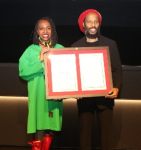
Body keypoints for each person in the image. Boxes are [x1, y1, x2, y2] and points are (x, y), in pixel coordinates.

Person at [71, 9, 122, 150]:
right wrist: (73, 89)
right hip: (84, 99)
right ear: (84, 24)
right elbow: (72, 73)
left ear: (99, 24)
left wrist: (116, 87)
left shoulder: (110, 44)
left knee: (107, 139)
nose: (93, 24)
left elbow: (117, 68)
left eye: (95, 21)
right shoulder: (75, 46)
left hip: (105, 98)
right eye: (89, 21)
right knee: (84, 139)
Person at [19, 17, 64, 150]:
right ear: (37, 32)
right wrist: (40, 60)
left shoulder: (59, 48)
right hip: (38, 96)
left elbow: (67, 73)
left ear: (52, 31)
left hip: (54, 98)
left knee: (50, 129)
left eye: (48, 28)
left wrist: (63, 92)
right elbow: (23, 72)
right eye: (41, 28)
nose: (45, 31)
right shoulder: (31, 50)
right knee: (39, 128)